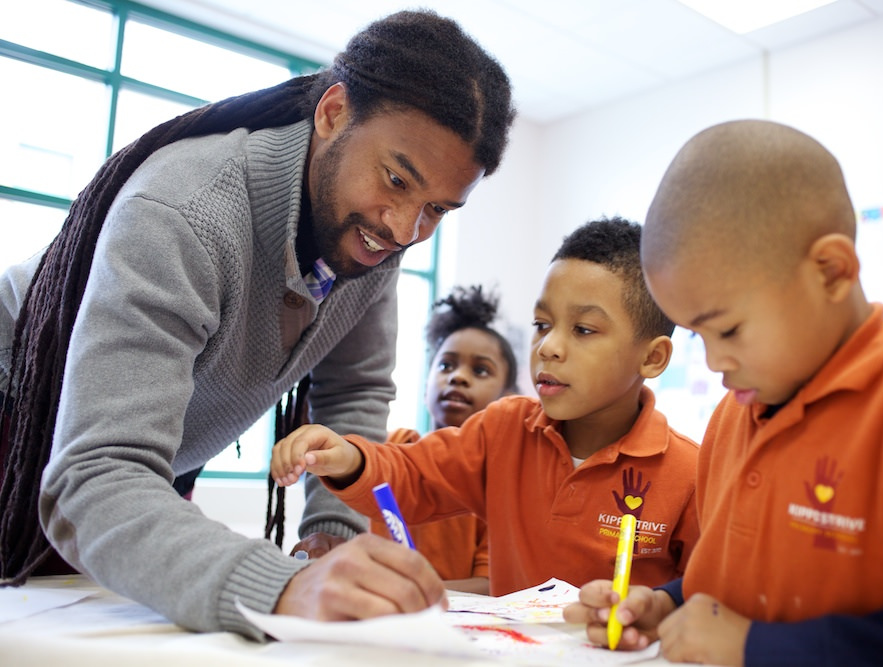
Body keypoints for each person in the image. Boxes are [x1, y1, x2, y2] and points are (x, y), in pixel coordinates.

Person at [0, 10, 515, 639]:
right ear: (332, 114)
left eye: (437, 208)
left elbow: (352, 391)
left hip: (138, 465)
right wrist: (284, 586)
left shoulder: (373, 242)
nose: (405, 230)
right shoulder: (183, 214)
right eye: (396, 179)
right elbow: (96, 472)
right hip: (22, 423)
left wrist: (331, 541)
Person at [564, 120, 883, 666]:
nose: (715, 361)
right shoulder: (731, 418)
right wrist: (665, 606)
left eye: (729, 329)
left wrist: (759, 647)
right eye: (698, 335)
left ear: (831, 271)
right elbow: (731, 587)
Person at [271, 216, 701, 596]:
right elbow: (414, 476)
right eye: (542, 325)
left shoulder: (690, 472)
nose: (548, 347)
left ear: (652, 357)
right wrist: (348, 457)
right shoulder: (503, 430)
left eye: (584, 329)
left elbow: (702, 594)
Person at [371, 284, 519, 594]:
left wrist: (413, 592)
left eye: (480, 370)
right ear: (426, 383)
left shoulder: (500, 484)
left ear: (508, 398)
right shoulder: (392, 450)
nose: (458, 377)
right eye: (445, 365)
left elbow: (491, 585)